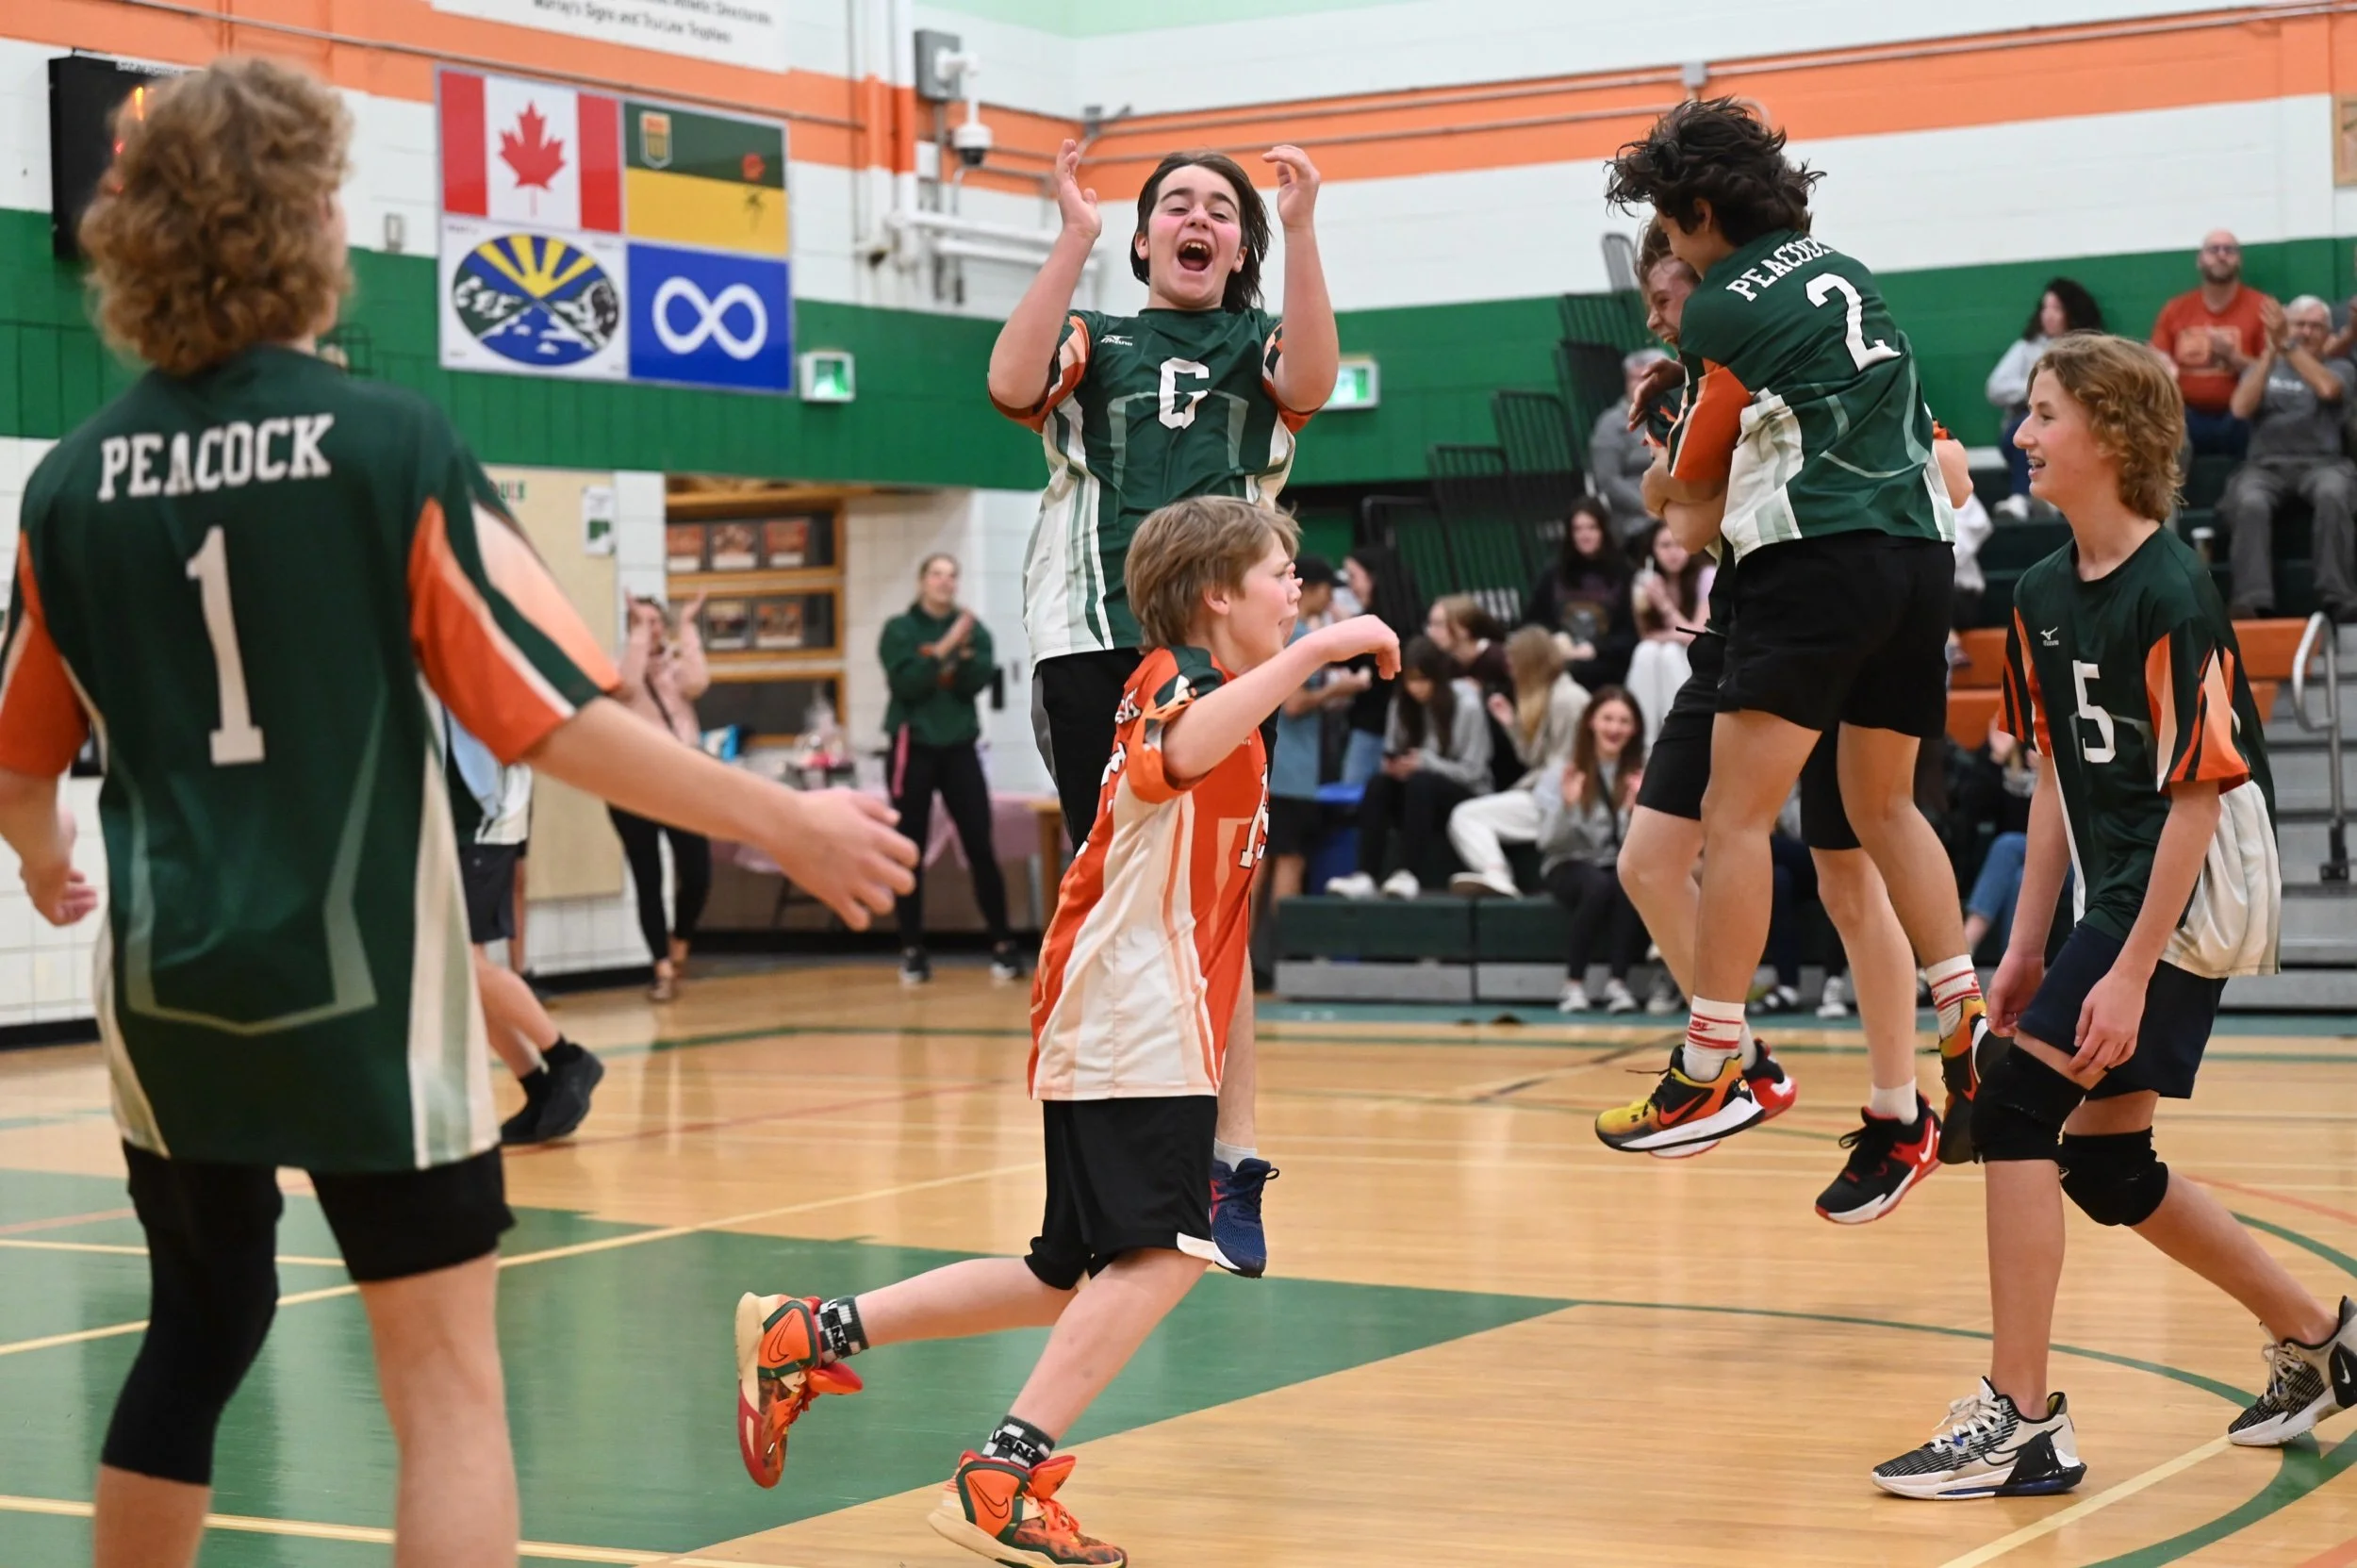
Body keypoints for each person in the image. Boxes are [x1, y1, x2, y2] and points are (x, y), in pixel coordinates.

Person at [0, 58, 915, 1568]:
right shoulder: (388, 442)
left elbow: (23, 765)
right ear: (299, 224)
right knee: (443, 1390)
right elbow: (548, 712)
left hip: (170, 998)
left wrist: (41, 863)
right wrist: (785, 817)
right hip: (371, 996)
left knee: (192, 1340)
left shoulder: (71, 482)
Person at [730, 498, 1399, 1567]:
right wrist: (1319, 650)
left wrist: (1241, 1135)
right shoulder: (1173, 688)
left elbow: (1225, 944)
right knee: (1167, 1253)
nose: (1297, 592)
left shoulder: (1238, 722)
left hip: (1152, 1015)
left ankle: (808, 1333)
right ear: (1216, 592)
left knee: (1062, 1271)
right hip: (1125, 1009)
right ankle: (1003, 1471)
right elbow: (1176, 752)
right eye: (1282, 574)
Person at [1870, 332, 2357, 1500]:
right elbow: (2054, 783)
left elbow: (2195, 794)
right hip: (2110, 889)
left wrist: (2130, 967)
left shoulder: (2175, 590)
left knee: (2010, 1101)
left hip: (2177, 898)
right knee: (2107, 1165)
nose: (2021, 436)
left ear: (2113, 434)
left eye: (2043, 415)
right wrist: (2031, 938)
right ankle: (2321, 1342)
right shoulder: (2042, 591)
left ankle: (2022, 1419)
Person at [1598, 120, 1985, 1225]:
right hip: (1909, 562)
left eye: (1672, 255)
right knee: (1873, 813)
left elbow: (1682, 507)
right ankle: (1961, 1025)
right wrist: (1678, 468)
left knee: (1749, 824)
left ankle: (1720, 1056)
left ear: (1697, 226)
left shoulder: (1728, 321)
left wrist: (1669, 470)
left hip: (1811, 568)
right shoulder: (1842, 280)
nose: (1670, 305)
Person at [990, 140, 1338, 1270]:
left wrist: (1308, 225)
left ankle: (1227, 1158)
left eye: (1222, 211)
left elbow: (1313, 384)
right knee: (1107, 898)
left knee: (1212, 899)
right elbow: (1007, 383)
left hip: (1222, 661)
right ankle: (1096, 1160)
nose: (1199, 219)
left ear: (1241, 245)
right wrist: (1073, 237)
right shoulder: (1099, 338)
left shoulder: (1259, 342)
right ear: (1144, 237)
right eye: (1175, 205)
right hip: (1090, 639)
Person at [440, 708, 602, 1146]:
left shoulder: (454, 649)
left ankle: (568, 1059)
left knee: (463, 961)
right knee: (459, 976)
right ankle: (539, 1086)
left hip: (477, 815)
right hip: (450, 815)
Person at [880, 553, 1027, 986]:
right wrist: (947, 650)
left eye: (952, 575)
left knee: (980, 843)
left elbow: (974, 680)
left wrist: (950, 660)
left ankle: (1002, 944)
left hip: (960, 746)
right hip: (914, 747)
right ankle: (912, 949)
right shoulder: (900, 630)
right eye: (937, 574)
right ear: (922, 581)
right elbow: (906, 683)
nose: (945, 582)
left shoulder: (974, 629)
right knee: (909, 848)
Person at [2218, 294, 2357, 620]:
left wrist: (2289, 347)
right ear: (2286, 327)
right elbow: (2240, 408)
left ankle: (2340, 596)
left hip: (2323, 463)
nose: (2307, 332)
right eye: (2299, 325)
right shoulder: (2261, 368)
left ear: (2328, 334)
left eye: (2316, 327)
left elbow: (2327, 390)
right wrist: (2270, 354)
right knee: (2249, 500)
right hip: (2265, 466)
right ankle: (2251, 600)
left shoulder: (2341, 367)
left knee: (2334, 492)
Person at [1323, 636, 1491, 900]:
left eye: (1423, 679)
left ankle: (1409, 873)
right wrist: (1396, 767)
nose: (1417, 688)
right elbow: (1391, 750)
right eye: (1411, 680)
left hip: (1464, 793)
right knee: (1378, 784)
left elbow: (1475, 771)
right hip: (1416, 791)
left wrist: (1425, 762)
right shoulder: (1400, 704)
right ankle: (1365, 875)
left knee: (1421, 782)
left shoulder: (1466, 704)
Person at [612, 593, 712, 1002]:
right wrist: (637, 638)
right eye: (642, 621)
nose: (651, 629)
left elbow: (698, 682)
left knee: (698, 873)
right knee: (648, 878)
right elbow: (627, 688)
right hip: (632, 784)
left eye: (656, 621)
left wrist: (687, 627)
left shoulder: (676, 666)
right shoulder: (617, 666)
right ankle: (661, 969)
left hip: (682, 782)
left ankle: (680, 943)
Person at [1444, 626, 1589, 897]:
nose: (1507, 664)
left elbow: (1562, 767)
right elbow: (1536, 759)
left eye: (1513, 658)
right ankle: (1496, 875)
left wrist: (1523, 788)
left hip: (1559, 805)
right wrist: (1512, 726)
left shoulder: (1568, 699)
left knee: (1464, 816)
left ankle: (1497, 873)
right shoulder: (1548, 694)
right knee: (1465, 816)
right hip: (1546, 794)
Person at [1535, 688, 1648, 1012]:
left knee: (1626, 881)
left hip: (1617, 864)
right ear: (1590, 723)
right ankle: (1573, 986)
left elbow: (1638, 848)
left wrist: (1633, 812)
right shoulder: (1562, 772)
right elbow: (1548, 842)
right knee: (1598, 885)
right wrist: (1568, 807)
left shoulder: (1642, 773)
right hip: (1568, 863)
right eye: (1608, 719)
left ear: (1636, 728)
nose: (1615, 728)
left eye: (1624, 721)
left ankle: (1618, 984)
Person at [1266, 556, 1367, 906]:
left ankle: (1244, 956)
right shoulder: (1302, 638)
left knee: (1258, 862)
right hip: (1292, 773)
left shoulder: (1271, 629)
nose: (1331, 601)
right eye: (1329, 592)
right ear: (1317, 589)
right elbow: (1294, 704)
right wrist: (1337, 691)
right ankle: (1279, 953)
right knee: (1289, 861)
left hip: (1270, 768)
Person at [2149, 230, 2271, 460]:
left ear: (2239, 260)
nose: (2221, 255)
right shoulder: (2175, 309)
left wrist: (2233, 357)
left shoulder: (2262, 307)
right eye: (2213, 250)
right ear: (2200, 260)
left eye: (2229, 250)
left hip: (2241, 416)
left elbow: (2272, 372)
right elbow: (2157, 356)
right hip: (2185, 414)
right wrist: (2160, 364)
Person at [1986, 279, 2103, 519]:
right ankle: (2020, 500)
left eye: (2057, 308)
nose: (2048, 315)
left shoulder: (2089, 348)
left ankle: (2052, 501)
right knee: (2026, 433)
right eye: (2045, 308)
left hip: (2073, 422)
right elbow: (1995, 387)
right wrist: (2038, 390)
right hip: (2027, 418)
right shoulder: (2026, 347)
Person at [1522, 496, 1636, 689]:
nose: (1585, 535)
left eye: (1591, 528)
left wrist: (1597, 649)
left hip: (1608, 663)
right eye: (1578, 529)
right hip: (1561, 659)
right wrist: (1556, 642)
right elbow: (1532, 622)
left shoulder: (1624, 573)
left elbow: (1632, 632)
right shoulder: (1554, 573)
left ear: (1604, 531)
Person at [1623, 522, 1710, 751]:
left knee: (1669, 652)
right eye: (1665, 546)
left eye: (1679, 544)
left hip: (1701, 661)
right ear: (1653, 550)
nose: (1673, 552)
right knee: (1646, 652)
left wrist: (1663, 604)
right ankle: (1643, 742)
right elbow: (1646, 636)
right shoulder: (1646, 580)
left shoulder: (1706, 576)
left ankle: (1680, 736)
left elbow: (1695, 634)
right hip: (1658, 662)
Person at [1338, 545, 1418, 785]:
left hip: (1378, 725)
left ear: (1373, 578)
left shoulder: (1377, 624)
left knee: (1354, 792)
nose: (1350, 586)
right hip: (1391, 724)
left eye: (1353, 576)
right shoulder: (1407, 617)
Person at [1591, 348, 1673, 539]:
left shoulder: (1677, 416)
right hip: (1639, 521)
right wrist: (1649, 507)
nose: (1638, 384)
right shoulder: (1612, 424)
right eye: (1633, 378)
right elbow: (1608, 480)